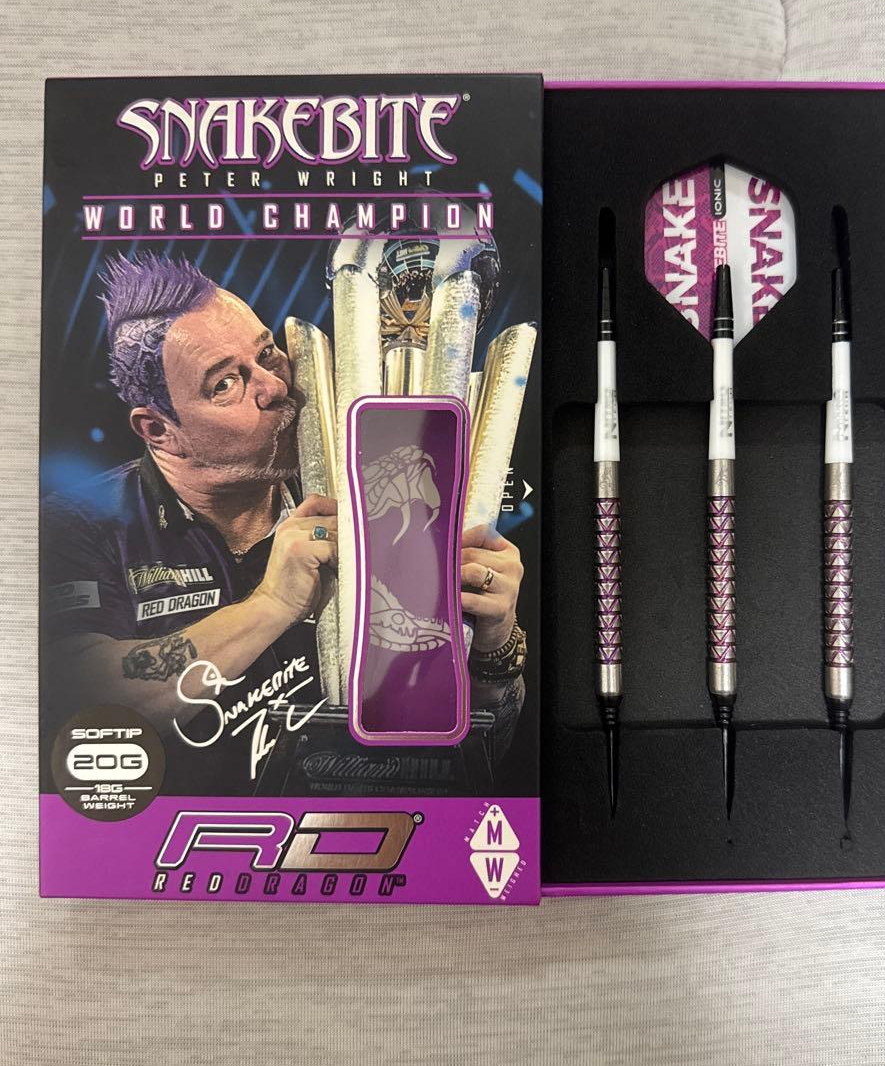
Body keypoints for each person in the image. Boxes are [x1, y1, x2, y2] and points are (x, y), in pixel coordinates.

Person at [42, 253, 525, 792]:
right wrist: (272, 604)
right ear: (158, 430)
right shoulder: (81, 522)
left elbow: (480, 757)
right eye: (226, 383)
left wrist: (495, 644)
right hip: (191, 839)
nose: (273, 385)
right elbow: (80, 700)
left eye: (267, 352)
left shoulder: (365, 494)